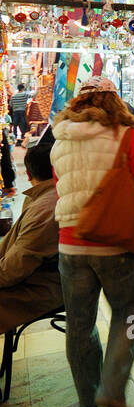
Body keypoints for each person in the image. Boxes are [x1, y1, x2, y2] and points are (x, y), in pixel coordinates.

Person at [51, 78, 134, 407]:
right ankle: (113, 388)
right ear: (115, 101)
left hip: (71, 244)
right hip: (116, 246)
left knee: (79, 322)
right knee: (129, 315)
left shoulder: (60, 141)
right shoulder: (125, 135)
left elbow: (60, 190)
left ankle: (88, 396)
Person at [0, 141, 64, 335]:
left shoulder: (45, 209)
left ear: (28, 174)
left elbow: (14, 269)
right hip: (41, 279)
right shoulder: (47, 200)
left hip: (41, 287)